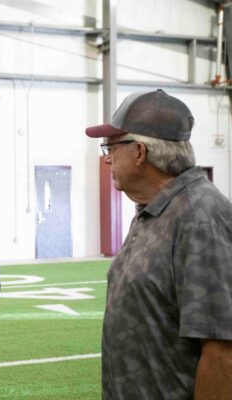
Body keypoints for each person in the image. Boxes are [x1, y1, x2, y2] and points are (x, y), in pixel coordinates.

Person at [86, 89, 232, 399]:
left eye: (111, 146)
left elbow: (222, 351)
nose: (107, 157)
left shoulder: (200, 216)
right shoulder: (154, 210)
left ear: (139, 152)